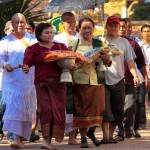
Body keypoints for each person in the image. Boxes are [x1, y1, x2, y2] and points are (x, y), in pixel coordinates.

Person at [23, 23, 70, 150]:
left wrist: (73, 65)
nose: (49, 35)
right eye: (46, 33)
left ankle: (50, 141)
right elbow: (26, 63)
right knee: (46, 110)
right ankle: (45, 141)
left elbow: (71, 59)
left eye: (51, 32)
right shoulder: (32, 49)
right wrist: (25, 68)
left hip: (59, 83)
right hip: (41, 83)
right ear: (38, 35)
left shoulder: (61, 46)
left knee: (57, 111)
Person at [71, 17, 112, 148]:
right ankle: (83, 138)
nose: (87, 30)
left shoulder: (99, 43)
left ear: (94, 29)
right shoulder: (74, 43)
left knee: (100, 109)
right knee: (82, 111)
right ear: (79, 29)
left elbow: (108, 62)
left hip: (97, 80)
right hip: (80, 80)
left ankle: (91, 132)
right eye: (84, 28)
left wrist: (106, 59)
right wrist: (73, 66)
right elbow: (67, 62)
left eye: (89, 28)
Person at [101, 16, 140, 144]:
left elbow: (130, 61)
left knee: (117, 109)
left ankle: (111, 135)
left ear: (119, 28)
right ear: (106, 27)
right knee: (105, 109)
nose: (113, 28)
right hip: (102, 79)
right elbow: (92, 57)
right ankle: (105, 136)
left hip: (119, 80)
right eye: (111, 25)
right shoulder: (99, 40)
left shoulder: (124, 42)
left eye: (115, 26)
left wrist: (135, 75)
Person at [0, 13, 37, 149]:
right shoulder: (6, 40)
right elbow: (0, 58)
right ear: (12, 24)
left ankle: (21, 139)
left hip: (28, 80)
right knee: (14, 109)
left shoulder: (33, 40)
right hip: (12, 81)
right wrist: (5, 65)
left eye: (22, 22)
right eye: (17, 22)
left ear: (26, 23)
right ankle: (15, 138)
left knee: (26, 111)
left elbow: (39, 57)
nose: (20, 24)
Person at [115, 18, 149, 142]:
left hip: (130, 82)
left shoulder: (133, 44)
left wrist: (146, 78)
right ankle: (119, 131)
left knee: (129, 107)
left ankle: (128, 128)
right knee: (117, 108)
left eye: (124, 26)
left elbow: (141, 63)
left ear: (127, 28)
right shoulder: (108, 43)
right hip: (114, 82)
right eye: (119, 26)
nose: (122, 29)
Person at [54, 12, 80, 145]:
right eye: (68, 22)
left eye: (74, 21)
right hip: (62, 75)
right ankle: (58, 134)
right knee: (62, 106)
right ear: (62, 24)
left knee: (75, 106)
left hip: (79, 75)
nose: (72, 24)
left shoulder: (80, 37)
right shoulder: (57, 39)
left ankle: (72, 136)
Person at [0, 20, 15, 143]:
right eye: (12, 30)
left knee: (12, 107)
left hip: (17, 82)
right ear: (5, 31)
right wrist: (5, 65)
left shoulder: (21, 43)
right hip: (2, 82)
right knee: (2, 107)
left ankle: (11, 136)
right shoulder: (3, 42)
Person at [138, 24, 150, 129]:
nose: (147, 33)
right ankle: (141, 122)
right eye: (145, 31)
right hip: (142, 75)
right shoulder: (137, 45)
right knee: (141, 99)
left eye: (148, 31)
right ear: (141, 33)